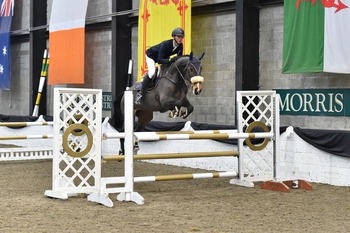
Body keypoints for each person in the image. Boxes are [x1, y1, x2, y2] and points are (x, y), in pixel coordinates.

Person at [135, 27, 185, 104]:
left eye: (181, 37)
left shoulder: (180, 46)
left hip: (163, 57)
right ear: (174, 37)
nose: (180, 39)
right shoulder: (165, 44)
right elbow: (159, 60)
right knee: (152, 72)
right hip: (151, 56)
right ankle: (140, 93)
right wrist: (169, 60)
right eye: (178, 37)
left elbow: (179, 58)